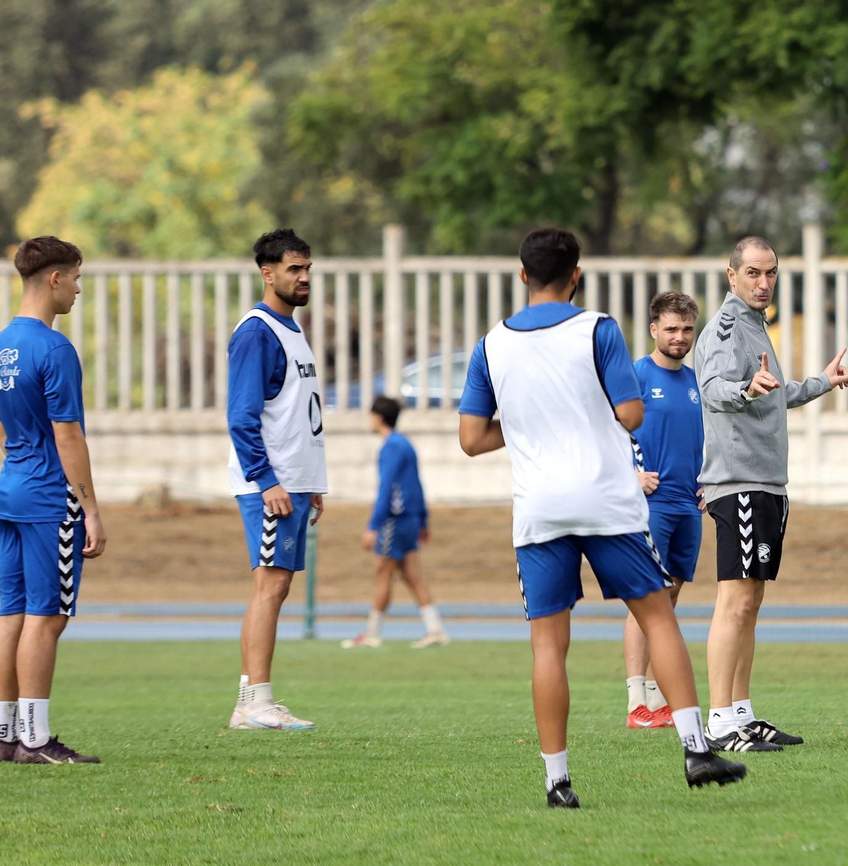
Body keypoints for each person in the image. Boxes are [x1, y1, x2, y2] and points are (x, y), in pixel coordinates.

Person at [458, 228, 744, 807]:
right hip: (605, 499)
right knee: (657, 615)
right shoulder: (598, 328)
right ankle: (695, 750)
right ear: (577, 275)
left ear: (522, 276)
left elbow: (470, 438)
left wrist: (530, 428)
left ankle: (557, 782)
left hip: (538, 507)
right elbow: (632, 413)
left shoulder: (490, 345)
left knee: (547, 645)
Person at [695, 236, 848, 752]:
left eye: (772, 274)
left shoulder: (755, 326)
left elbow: (771, 394)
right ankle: (719, 721)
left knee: (752, 600)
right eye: (755, 273)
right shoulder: (724, 327)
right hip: (738, 480)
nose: (764, 283)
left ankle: (742, 712)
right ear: (732, 274)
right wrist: (744, 389)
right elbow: (714, 388)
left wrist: (821, 383)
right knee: (734, 601)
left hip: (766, 481)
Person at [0, 235, 107, 764]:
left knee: (11, 612)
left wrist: (19, 468)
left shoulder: (1, 345)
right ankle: (36, 740)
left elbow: (1, 427)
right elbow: (69, 436)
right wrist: (92, 509)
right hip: (47, 500)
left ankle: (6, 737)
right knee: (47, 616)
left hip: (9, 490)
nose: (79, 289)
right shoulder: (55, 349)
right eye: (76, 278)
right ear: (54, 278)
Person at [225, 229, 327, 730]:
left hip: (294, 483)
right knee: (270, 587)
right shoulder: (256, 332)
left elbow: (295, 413)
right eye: (294, 269)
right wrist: (267, 481)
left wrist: (313, 482)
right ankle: (254, 703)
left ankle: (253, 700)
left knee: (276, 587)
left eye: (307, 268)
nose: (304, 277)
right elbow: (241, 416)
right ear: (267, 274)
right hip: (271, 486)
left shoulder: (291, 329)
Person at [623, 291, 703, 728]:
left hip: (688, 507)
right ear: (654, 329)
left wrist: (709, 480)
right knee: (645, 602)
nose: (679, 337)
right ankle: (637, 701)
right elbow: (604, 431)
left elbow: (701, 441)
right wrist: (628, 477)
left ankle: (657, 701)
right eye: (671, 329)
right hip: (650, 505)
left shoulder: (694, 382)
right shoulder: (635, 375)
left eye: (687, 329)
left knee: (668, 603)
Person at [342, 395, 450, 649]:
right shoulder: (406, 444)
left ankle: (372, 633)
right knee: (412, 575)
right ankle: (435, 629)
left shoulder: (391, 446)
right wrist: (423, 520)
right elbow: (417, 484)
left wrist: (373, 526)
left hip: (395, 520)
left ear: (378, 417)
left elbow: (386, 488)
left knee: (383, 572)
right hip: (410, 518)